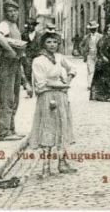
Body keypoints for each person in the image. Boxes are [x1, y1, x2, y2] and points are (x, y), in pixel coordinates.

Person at [28, 32, 80, 175]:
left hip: (60, 96)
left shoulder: (59, 57)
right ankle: (46, 166)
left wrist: (67, 80)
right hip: (47, 98)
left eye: (55, 42)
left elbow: (73, 68)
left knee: (62, 126)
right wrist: (60, 85)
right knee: (48, 127)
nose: (52, 45)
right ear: (43, 44)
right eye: (49, 42)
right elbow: (41, 83)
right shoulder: (38, 61)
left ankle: (62, 163)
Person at [0, 3, 29, 141]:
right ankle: (4, 131)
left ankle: (11, 129)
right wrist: (9, 49)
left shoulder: (14, 26)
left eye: (14, 11)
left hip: (15, 65)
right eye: (9, 11)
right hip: (6, 66)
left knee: (14, 100)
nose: (12, 13)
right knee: (7, 99)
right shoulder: (4, 24)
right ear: (5, 13)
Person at [90, 25, 110, 102]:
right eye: (109, 30)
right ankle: (101, 95)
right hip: (102, 62)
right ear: (106, 31)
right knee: (102, 79)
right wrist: (103, 57)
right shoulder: (102, 39)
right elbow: (100, 50)